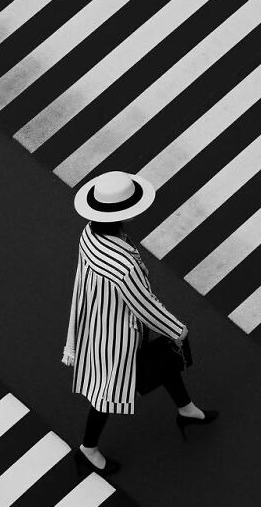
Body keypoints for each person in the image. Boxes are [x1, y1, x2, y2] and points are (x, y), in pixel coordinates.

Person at [62, 170, 218, 475]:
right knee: (107, 391)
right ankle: (88, 448)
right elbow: (144, 305)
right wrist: (178, 330)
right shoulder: (124, 265)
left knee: (160, 360)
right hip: (117, 331)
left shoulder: (89, 234)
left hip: (97, 317)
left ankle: (186, 409)